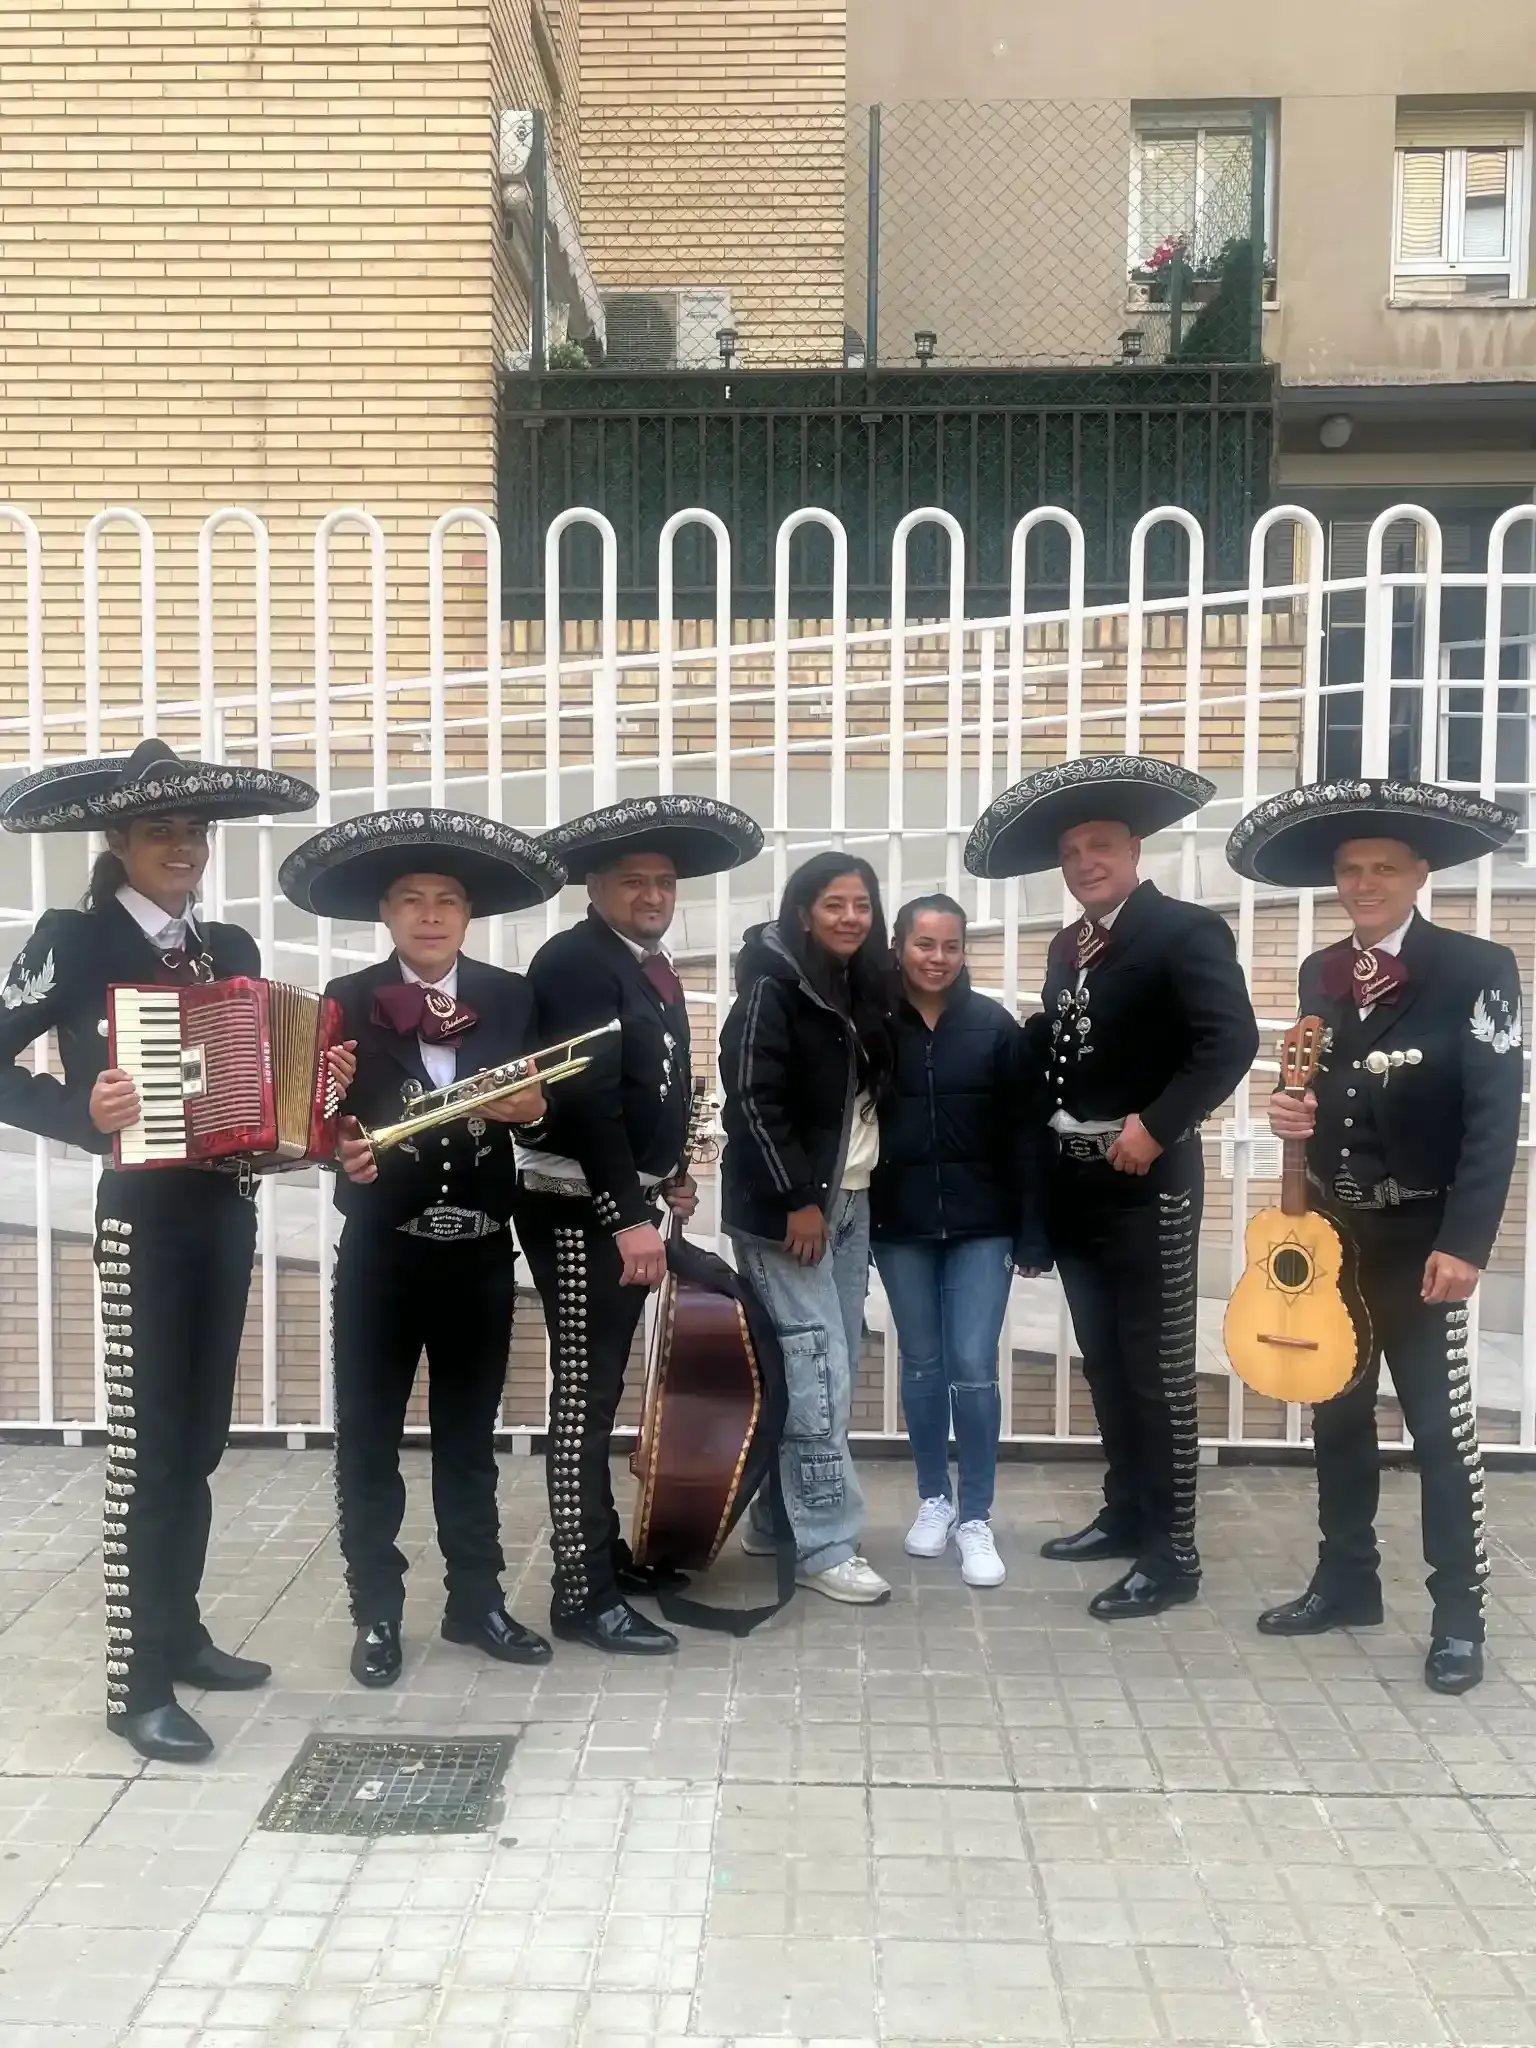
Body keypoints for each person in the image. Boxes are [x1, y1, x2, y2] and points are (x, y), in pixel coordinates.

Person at [0, 738, 327, 1762]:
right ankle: (133, 1681)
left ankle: (182, 1634)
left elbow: (257, 1090)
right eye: (160, 831)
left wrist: (301, 1108)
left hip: (224, 1211)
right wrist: (83, 1113)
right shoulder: (76, 937)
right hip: (139, 1214)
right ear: (118, 841)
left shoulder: (231, 945)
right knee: (147, 1454)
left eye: (194, 830)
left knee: (199, 1442)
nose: (182, 846)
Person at [1227, 777, 1523, 1694]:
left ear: (1418, 874)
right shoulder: (1320, 973)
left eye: (1383, 868)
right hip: (1338, 1239)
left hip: (1424, 1237)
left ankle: (1459, 1618)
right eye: (1350, 870)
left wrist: (1467, 1244)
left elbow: (1493, 1118)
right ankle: (1347, 1582)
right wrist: (1289, 1116)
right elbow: (1320, 1090)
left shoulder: (1478, 969)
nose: (1364, 884)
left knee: (1440, 1432)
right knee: (1338, 1416)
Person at [965, 756, 1259, 1620]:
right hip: (1080, 1183)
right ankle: (1127, 1513)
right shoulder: (1070, 945)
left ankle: (1174, 1554)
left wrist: (1156, 1124)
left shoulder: (1184, 930)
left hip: (1152, 1180)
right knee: (1104, 1363)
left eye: (1100, 846)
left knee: (1158, 1372)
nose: (1085, 862)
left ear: (1133, 850)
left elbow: (1228, 1041)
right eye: (1071, 852)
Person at [280, 809, 569, 1688]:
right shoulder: (345, 998)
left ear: (469, 915)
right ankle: (376, 1613)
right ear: (387, 914)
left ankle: (474, 1602)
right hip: (382, 1255)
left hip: (481, 1253)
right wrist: (338, 1147)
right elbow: (313, 1122)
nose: (431, 916)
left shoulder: (512, 995)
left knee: (468, 1441)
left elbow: (542, 1103)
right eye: (413, 900)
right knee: (367, 1440)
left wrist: (535, 1109)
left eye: (447, 901)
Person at [520, 795, 763, 1653]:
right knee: (583, 1401)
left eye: (664, 882)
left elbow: (646, 1088)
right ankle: (579, 1595)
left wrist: (674, 1174)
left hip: (620, 1200)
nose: (654, 894)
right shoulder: (579, 961)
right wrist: (629, 1213)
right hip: (575, 1209)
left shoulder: (642, 962)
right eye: (635, 881)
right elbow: (585, 1101)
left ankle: (602, 1554)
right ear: (595, 887)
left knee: (600, 1391)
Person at [718, 852, 895, 1604]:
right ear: (803, 911)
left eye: (861, 904)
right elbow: (753, 1102)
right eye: (835, 904)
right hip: (792, 1215)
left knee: (826, 1365)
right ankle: (826, 1544)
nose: (851, 916)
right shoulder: (773, 988)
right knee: (818, 1370)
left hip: (848, 1203)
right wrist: (799, 1198)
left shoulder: (857, 987)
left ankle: (776, 1520)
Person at [869, 893, 1052, 1588]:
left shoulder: (994, 1028)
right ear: (898, 946)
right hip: (901, 1224)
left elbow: (1026, 1137)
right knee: (920, 1364)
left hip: (984, 1226)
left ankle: (976, 1516)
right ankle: (932, 1500)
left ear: (963, 951)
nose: (937, 958)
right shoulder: (875, 1026)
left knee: (972, 1365)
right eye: (924, 944)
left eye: (950, 945)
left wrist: (1033, 1232)